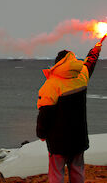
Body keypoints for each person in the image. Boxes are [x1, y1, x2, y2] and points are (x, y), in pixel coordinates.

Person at [36, 42, 102, 183]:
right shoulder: (81, 76)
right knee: (78, 172)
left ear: (57, 64)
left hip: (57, 142)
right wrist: (96, 50)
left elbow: (44, 115)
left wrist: (41, 134)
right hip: (79, 139)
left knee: (56, 175)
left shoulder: (51, 85)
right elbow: (89, 64)